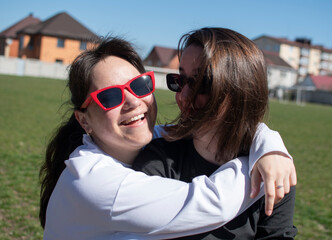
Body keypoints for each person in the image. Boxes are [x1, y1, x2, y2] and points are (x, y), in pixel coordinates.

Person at [39, 36, 295, 239]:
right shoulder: (95, 182)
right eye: (109, 97)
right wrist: (270, 162)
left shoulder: (151, 140)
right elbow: (214, 203)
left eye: (139, 86)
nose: (132, 102)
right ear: (84, 120)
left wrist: (268, 145)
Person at [133, 27, 297, 239]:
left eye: (202, 84)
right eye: (180, 80)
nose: (183, 96)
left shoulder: (274, 170)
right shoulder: (158, 160)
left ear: (241, 91)